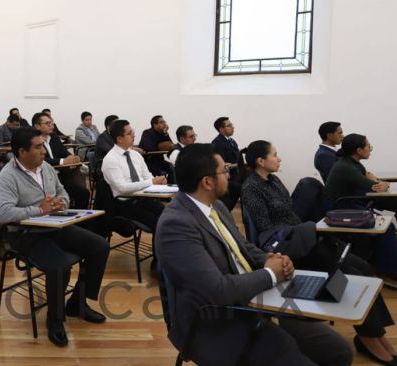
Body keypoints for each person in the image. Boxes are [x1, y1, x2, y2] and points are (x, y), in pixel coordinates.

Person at [156, 143, 352, 366]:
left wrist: (272, 259)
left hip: (257, 300)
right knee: (296, 353)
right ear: (207, 182)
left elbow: (243, 247)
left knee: (339, 352)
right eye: (224, 171)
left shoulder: (216, 206)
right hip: (220, 320)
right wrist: (270, 274)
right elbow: (217, 290)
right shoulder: (177, 224)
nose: (229, 175)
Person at [240, 140, 397, 364]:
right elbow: (266, 228)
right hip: (286, 249)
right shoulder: (251, 188)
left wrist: (308, 230)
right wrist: (304, 230)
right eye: (275, 155)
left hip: (300, 238)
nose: (279, 158)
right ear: (260, 161)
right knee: (352, 273)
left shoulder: (273, 181)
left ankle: (376, 335)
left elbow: (292, 214)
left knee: (362, 266)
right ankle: (368, 338)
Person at [0, 127, 109, 347]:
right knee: (59, 266)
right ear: (22, 152)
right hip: (25, 233)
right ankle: (55, 320)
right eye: (37, 147)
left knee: (100, 246)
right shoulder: (8, 175)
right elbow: (3, 213)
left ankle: (77, 303)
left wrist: (61, 203)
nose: (43, 151)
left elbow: (62, 192)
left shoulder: (45, 167)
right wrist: (39, 210)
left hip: (55, 225)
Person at [101, 119, 166, 273]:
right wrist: (151, 182)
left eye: (132, 131)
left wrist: (158, 182)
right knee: (159, 223)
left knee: (170, 217)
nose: (134, 135)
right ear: (119, 138)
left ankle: (167, 258)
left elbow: (147, 175)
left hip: (144, 198)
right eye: (130, 133)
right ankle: (157, 265)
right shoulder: (110, 159)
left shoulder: (135, 155)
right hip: (125, 204)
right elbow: (123, 189)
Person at [33, 112, 89, 209]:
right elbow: (41, 160)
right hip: (44, 178)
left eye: (52, 123)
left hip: (61, 175)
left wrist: (73, 158)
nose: (51, 125)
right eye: (47, 123)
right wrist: (62, 161)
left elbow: (64, 153)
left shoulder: (53, 137)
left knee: (83, 193)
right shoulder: (33, 140)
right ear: (37, 126)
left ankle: (78, 219)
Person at [324, 133, 389, 203]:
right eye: (368, 146)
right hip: (343, 205)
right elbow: (374, 187)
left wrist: (379, 183)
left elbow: (370, 178)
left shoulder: (352, 162)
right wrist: (386, 184)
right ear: (359, 151)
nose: (370, 150)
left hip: (352, 199)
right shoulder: (346, 167)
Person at [211, 116, 241, 211]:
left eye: (231, 125)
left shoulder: (232, 141)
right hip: (226, 177)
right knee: (240, 190)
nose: (232, 127)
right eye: (229, 125)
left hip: (235, 174)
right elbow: (220, 162)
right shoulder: (217, 143)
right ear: (221, 129)